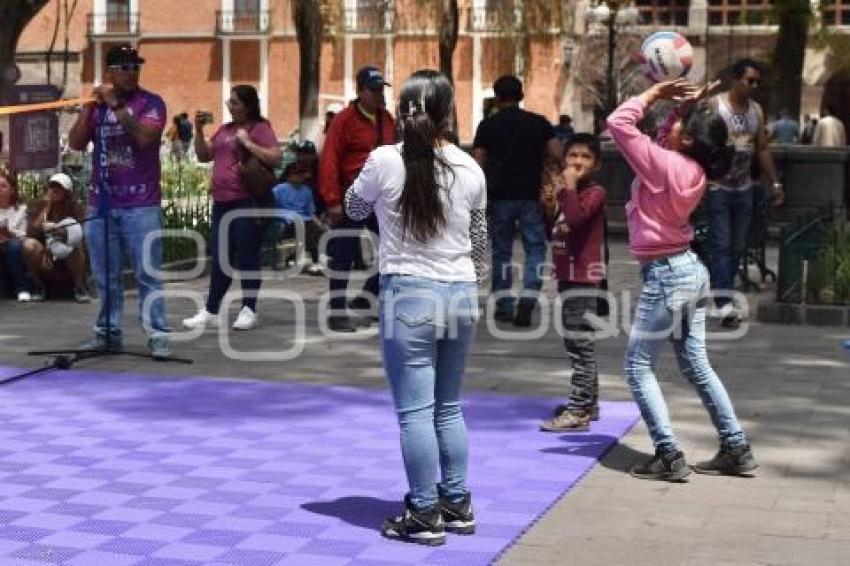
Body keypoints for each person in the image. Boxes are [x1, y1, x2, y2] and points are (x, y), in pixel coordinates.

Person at [344, 69, 487, 546]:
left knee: (414, 413)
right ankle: (457, 502)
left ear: (401, 112)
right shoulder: (470, 168)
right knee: (448, 407)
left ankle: (424, 513)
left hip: (409, 294)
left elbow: (353, 209)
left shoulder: (384, 160)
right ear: (448, 113)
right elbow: (480, 245)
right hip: (461, 292)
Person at [607, 78, 758, 482]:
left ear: (688, 141)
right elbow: (661, 141)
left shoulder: (666, 165)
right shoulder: (689, 167)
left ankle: (668, 453)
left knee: (638, 366)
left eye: (680, 127)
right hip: (689, 270)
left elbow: (619, 124)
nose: (670, 127)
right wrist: (682, 110)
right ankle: (735, 445)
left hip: (667, 275)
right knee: (696, 365)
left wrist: (653, 94)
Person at [68, 43, 172, 358]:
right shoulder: (98, 107)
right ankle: (107, 334)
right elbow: (75, 142)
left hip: (141, 204)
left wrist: (115, 105)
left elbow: (143, 137)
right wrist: (88, 107)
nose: (131, 72)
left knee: (147, 273)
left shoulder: (151, 103)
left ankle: (157, 335)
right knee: (104, 276)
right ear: (110, 71)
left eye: (135, 67)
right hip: (102, 203)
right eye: (124, 67)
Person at [183, 85, 281, 332]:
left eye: (235, 102)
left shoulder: (260, 128)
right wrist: (198, 130)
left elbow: (276, 158)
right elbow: (204, 155)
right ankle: (211, 310)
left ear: (248, 105)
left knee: (247, 256)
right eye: (230, 102)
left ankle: (249, 308)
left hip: (246, 201)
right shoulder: (225, 130)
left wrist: (248, 144)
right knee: (221, 258)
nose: (230, 105)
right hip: (222, 202)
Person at [472, 74, 562, 327]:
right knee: (535, 247)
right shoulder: (539, 123)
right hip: (531, 196)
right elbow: (556, 153)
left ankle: (503, 304)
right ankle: (529, 297)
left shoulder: (487, 126)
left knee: (502, 251)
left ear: (497, 98)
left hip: (500, 196)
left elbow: (478, 162)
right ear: (521, 96)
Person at [707, 59, 784, 329]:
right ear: (735, 79)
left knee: (738, 246)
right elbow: (699, 143)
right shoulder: (715, 105)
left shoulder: (756, 111)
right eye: (749, 80)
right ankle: (724, 303)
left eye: (756, 82)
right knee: (722, 245)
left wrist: (775, 182)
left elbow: (762, 148)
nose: (753, 86)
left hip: (744, 189)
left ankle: (720, 291)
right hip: (717, 187)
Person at [319, 65, 396, 332]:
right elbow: (329, 159)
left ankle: (367, 298)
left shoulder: (387, 120)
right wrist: (331, 200)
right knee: (344, 254)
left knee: (392, 249)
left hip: (383, 199)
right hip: (352, 195)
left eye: (380, 90)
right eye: (372, 90)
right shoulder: (344, 120)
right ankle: (337, 312)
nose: (378, 96)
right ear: (359, 91)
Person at [538, 134, 607, 432]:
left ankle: (578, 410)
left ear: (597, 164)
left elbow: (577, 220)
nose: (577, 162)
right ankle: (588, 403)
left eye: (586, 157)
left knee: (581, 345)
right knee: (577, 342)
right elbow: (556, 229)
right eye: (573, 155)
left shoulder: (594, 193)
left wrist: (568, 188)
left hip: (583, 277)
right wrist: (549, 203)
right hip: (568, 275)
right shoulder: (569, 192)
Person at [21, 173, 90, 303]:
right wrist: (46, 208)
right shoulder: (39, 206)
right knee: (29, 245)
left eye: (59, 188)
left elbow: (79, 233)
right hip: (45, 251)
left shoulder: (75, 208)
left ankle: (79, 287)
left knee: (77, 246)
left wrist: (59, 231)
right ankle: (38, 286)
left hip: (65, 248)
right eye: (52, 187)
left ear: (67, 191)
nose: (54, 191)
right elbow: (31, 231)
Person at [272, 162, 325, 275]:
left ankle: (295, 258)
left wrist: (320, 225)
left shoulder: (307, 190)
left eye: (301, 173)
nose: (299, 176)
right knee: (305, 230)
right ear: (289, 175)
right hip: (287, 221)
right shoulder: (278, 189)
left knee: (318, 231)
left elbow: (310, 212)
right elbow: (271, 208)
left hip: (305, 220)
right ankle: (316, 261)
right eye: (296, 173)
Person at [0, 166, 31, 302]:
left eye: (3, 186)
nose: (0, 190)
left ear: (12, 190)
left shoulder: (21, 210)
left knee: (13, 246)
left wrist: (8, 232)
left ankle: (22, 288)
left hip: (13, 243)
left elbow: (24, 233)